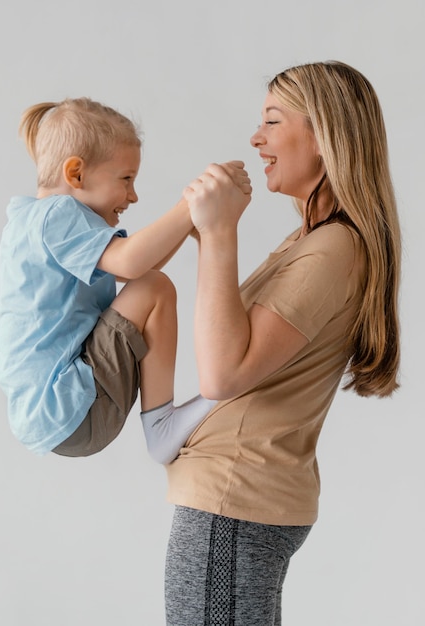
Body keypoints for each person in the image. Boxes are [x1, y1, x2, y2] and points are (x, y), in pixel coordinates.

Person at [161, 61, 401, 625]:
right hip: (234, 502)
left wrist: (220, 233)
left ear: (323, 135)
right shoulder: (312, 241)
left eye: (273, 120)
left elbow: (222, 374)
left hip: (233, 503)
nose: (256, 137)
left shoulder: (332, 249)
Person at [0, 96, 249, 459]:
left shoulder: (32, 221)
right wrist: (189, 204)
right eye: (126, 179)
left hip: (55, 415)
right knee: (155, 288)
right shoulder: (57, 215)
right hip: (68, 404)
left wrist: (192, 223)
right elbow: (135, 267)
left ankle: (162, 423)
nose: (133, 195)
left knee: (151, 286)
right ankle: (161, 425)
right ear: (76, 174)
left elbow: (140, 269)